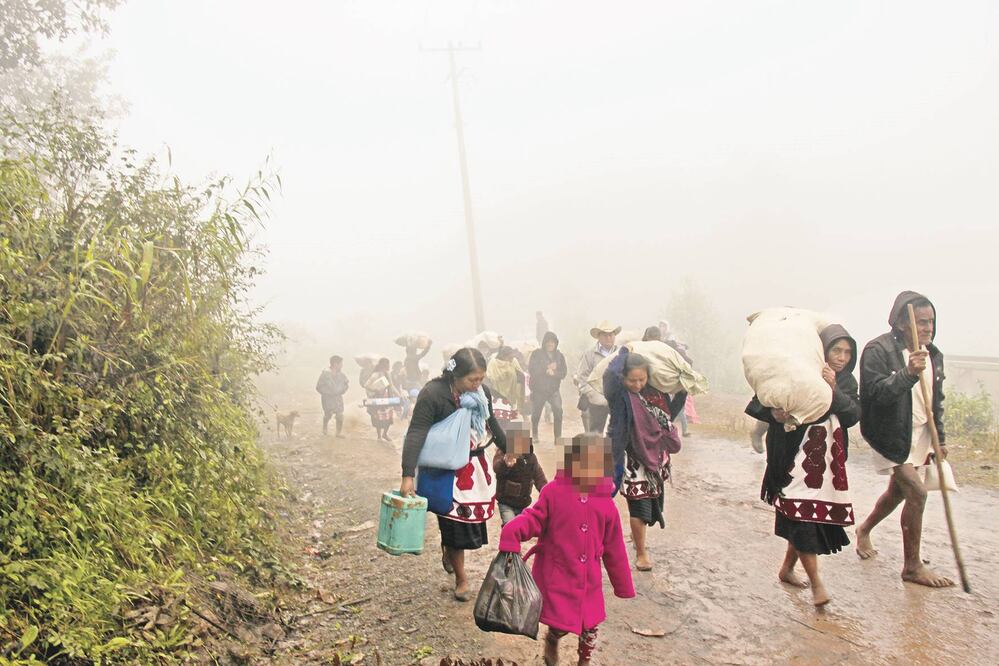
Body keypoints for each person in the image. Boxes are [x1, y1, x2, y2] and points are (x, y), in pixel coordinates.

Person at [746, 324, 860, 606]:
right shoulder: (794, 373)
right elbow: (758, 403)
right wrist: (774, 411)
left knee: (804, 515)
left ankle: (787, 569)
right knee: (802, 515)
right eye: (836, 350)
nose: (842, 357)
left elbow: (853, 414)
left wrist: (833, 389)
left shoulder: (846, 382)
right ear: (822, 349)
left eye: (847, 352)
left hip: (825, 467)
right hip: (790, 461)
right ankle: (817, 584)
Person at [499, 433, 634, 666]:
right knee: (560, 622)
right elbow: (534, 518)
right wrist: (512, 532)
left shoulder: (606, 505)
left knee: (590, 626)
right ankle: (553, 638)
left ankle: (585, 659)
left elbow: (615, 549)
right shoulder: (554, 492)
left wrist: (622, 584)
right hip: (558, 574)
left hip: (588, 580)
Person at [854, 292, 953, 588]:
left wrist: (941, 439)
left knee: (898, 492)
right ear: (900, 323)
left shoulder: (933, 353)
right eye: (920, 322)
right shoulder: (878, 351)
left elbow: (936, 400)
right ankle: (912, 566)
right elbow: (876, 395)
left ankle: (864, 529)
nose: (927, 328)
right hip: (888, 433)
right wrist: (908, 372)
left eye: (931, 322)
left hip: (920, 433)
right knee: (917, 493)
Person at [399, 348, 508, 601]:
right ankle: (461, 578)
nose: (477, 384)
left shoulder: (482, 394)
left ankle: (449, 551)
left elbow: (493, 424)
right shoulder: (433, 394)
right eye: (472, 380)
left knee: (470, 523)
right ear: (454, 376)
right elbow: (416, 432)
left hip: (472, 468)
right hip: (444, 471)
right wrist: (407, 475)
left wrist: (511, 449)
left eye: (481, 378)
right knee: (453, 524)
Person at [604, 350, 685, 572]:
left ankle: (638, 538)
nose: (638, 384)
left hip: (656, 458)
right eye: (632, 380)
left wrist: (684, 388)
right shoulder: (619, 396)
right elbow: (609, 375)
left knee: (651, 501)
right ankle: (641, 553)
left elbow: (671, 413)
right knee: (638, 505)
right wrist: (623, 352)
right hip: (631, 459)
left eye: (642, 379)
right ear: (623, 378)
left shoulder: (656, 394)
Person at [493, 428, 548, 525]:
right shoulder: (504, 454)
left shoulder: (531, 458)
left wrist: (547, 493)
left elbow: (539, 477)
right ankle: (507, 538)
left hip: (522, 502)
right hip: (505, 502)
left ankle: (513, 539)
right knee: (509, 524)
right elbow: (497, 468)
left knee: (518, 528)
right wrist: (506, 463)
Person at [574, 321, 620, 434]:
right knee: (596, 432)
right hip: (596, 399)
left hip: (616, 398)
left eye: (611, 335)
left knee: (619, 430)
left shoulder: (620, 353)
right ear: (598, 336)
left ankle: (616, 451)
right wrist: (591, 393)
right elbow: (582, 376)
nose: (608, 338)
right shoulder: (590, 354)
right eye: (605, 335)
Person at [528, 331, 568, 442]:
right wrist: (546, 369)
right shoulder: (536, 354)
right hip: (539, 390)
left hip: (553, 390)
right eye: (548, 342)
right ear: (544, 343)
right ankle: (535, 434)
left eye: (553, 342)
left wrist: (554, 373)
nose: (550, 344)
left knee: (558, 411)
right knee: (536, 413)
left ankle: (558, 437)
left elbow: (564, 373)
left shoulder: (559, 356)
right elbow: (532, 369)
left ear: (556, 343)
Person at [485, 346, 525, 425]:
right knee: (498, 421)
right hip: (496, 397)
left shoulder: (513, 361)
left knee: (515, 423)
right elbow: (488, 378)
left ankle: (513, 436)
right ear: (503, 356)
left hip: (512, 396)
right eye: (509, 357)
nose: (510, 359)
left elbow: (521, 377)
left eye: (512, 357)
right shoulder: (493, 363)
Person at [364, 357, 398, 442]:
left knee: (388, 417)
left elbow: (392, 385)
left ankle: (385, 434)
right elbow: (366, 385)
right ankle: (379, 436)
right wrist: (376, 389)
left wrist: (399, 394)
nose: (389, 366)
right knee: (378, 417)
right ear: (383, 365)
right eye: (387, 364)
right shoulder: (375, 375)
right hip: (377, 398)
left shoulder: (387, 374)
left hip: (387, 397)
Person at [316, 355, 349, 437]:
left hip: (338, 398)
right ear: (335, 364)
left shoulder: (342, 375)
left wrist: (343, 389)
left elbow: (346, 385)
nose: (342, 366)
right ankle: (324, 427)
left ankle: (338, 433)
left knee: (340, 415)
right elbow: (318, 387)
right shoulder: (325, 374)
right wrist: (327, 392)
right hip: (327, 399)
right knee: (328, 414)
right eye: (341, 364)